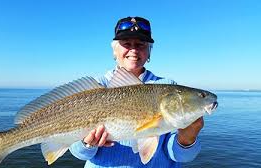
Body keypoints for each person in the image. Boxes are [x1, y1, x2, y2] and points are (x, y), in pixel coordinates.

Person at [70, 16, 204, 168]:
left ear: (149, 52)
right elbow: (78, 152)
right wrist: (87, 144)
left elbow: (181, 157)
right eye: (126, 44)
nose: (133, 50)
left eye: (140, 45)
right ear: (115, 50)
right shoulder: (95, 88)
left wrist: (187, 138)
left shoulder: (169, 88)